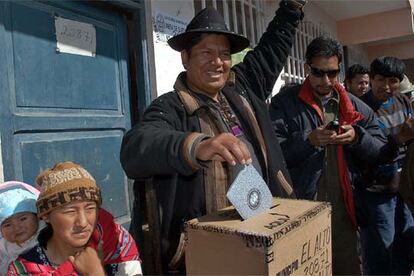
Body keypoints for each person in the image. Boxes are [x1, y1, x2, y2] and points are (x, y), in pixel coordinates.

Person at [120, 0, 306, 272]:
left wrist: (292, 7)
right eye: (206, 52)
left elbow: (272, 48)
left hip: (261, 231)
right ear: (185, 57)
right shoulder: (170, 107)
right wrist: (198, 145)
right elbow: (135, 149)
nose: (217, 62)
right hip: (206, 250)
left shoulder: (241, 90)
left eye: (224, 54)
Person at [269, 36, 387, 275]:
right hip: (301, 210)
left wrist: (357, 138)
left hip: (344, 211)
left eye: (332, 73)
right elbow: (273, 154)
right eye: (318, 73)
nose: (326, 81)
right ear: (306, 68)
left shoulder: (354, 105)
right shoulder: (284, 102)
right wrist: (308, 141)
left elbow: (381, 151)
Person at [8, 161, 142, 275]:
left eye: (90, 208)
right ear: (46, 216)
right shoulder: (23, 269)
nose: (83, 222)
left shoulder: (117, 243)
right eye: (70, 211)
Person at [359, 56, 414, 275]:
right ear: (371, 79)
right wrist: (399, 137)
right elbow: (366, 152)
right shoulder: (361, 109)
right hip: (376, 193)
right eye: (380, 79)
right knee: (380, 250)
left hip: (403, 190)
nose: (386, 86)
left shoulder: (402, 101)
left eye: (393, 80)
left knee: (405, 245)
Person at [0, 181, 43, 274]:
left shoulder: (48, 238)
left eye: (23, 219)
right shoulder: (3, 249)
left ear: (37, 216)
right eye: (7, 225)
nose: (17, 227)